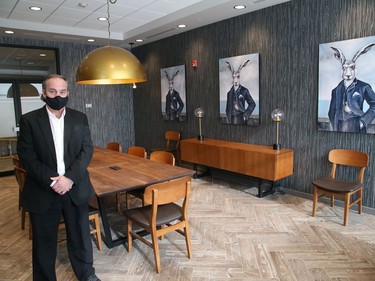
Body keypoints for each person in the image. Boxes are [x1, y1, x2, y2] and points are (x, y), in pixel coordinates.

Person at [17, 74, 100, 281]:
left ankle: (87, 274)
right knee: (44, 242)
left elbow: (86, 150)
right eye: (53, 92)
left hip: (75, 188)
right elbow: (27, 156)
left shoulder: (80, 118)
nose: (58, 96)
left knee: (80, 237)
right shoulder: (29, 121)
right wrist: (54, 181)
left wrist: (69, 179)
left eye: (62, 92)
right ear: (44, 93)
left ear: (68, 93)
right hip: (44, 190)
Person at [328, 44, 375, 133]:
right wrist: (334, 126)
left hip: (356, 125)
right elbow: (331, 112)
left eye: (351, 68)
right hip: (339, 127)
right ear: (342, 70)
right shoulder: (336, 90)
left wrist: (363, 121)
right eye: (345, 68)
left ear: (355, 70)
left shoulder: (364, 87)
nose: (348, 73)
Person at [225, 60, 256, 125]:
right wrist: (228, 117)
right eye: (234, 77)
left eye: (238, 77)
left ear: (239, 78)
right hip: (231, 121)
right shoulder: (229, 93)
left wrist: (245, 116)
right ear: (232, 78)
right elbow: (227, 108)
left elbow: (252, 104)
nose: (235, 80)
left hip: (241, 119)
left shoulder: (244, 91)